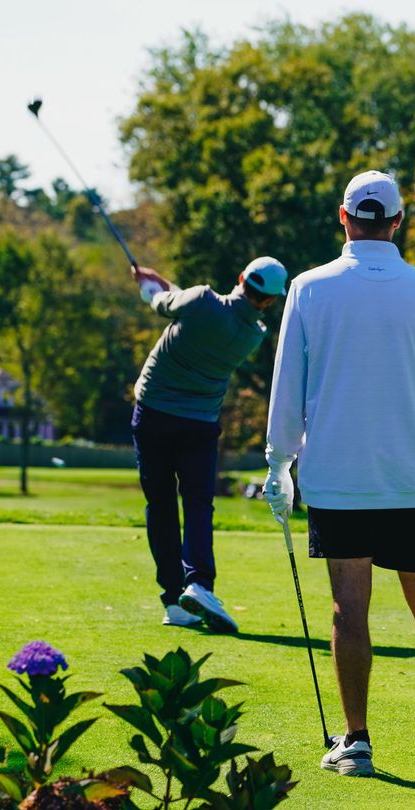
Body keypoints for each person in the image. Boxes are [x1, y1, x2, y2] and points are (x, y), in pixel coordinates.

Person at [263, 171, 415, 777]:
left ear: (343, 218)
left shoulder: (308, 289)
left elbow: (289, 387)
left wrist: (278, 461)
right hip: (412, 478)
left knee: (348, 608)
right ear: (397, 221)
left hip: (338, 477)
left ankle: (356, 742)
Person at [130, 257, 288, 633]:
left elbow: (162, 303)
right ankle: (199, 583)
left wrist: (147, 284)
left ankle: (172, 599)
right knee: (199, 504)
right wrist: (160, 279)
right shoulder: (254, 333)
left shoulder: (201, 300)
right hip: (200, 424)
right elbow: (191, 302)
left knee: (162, 505)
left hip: (153, 413)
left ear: (241, 278)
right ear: (268, 301)